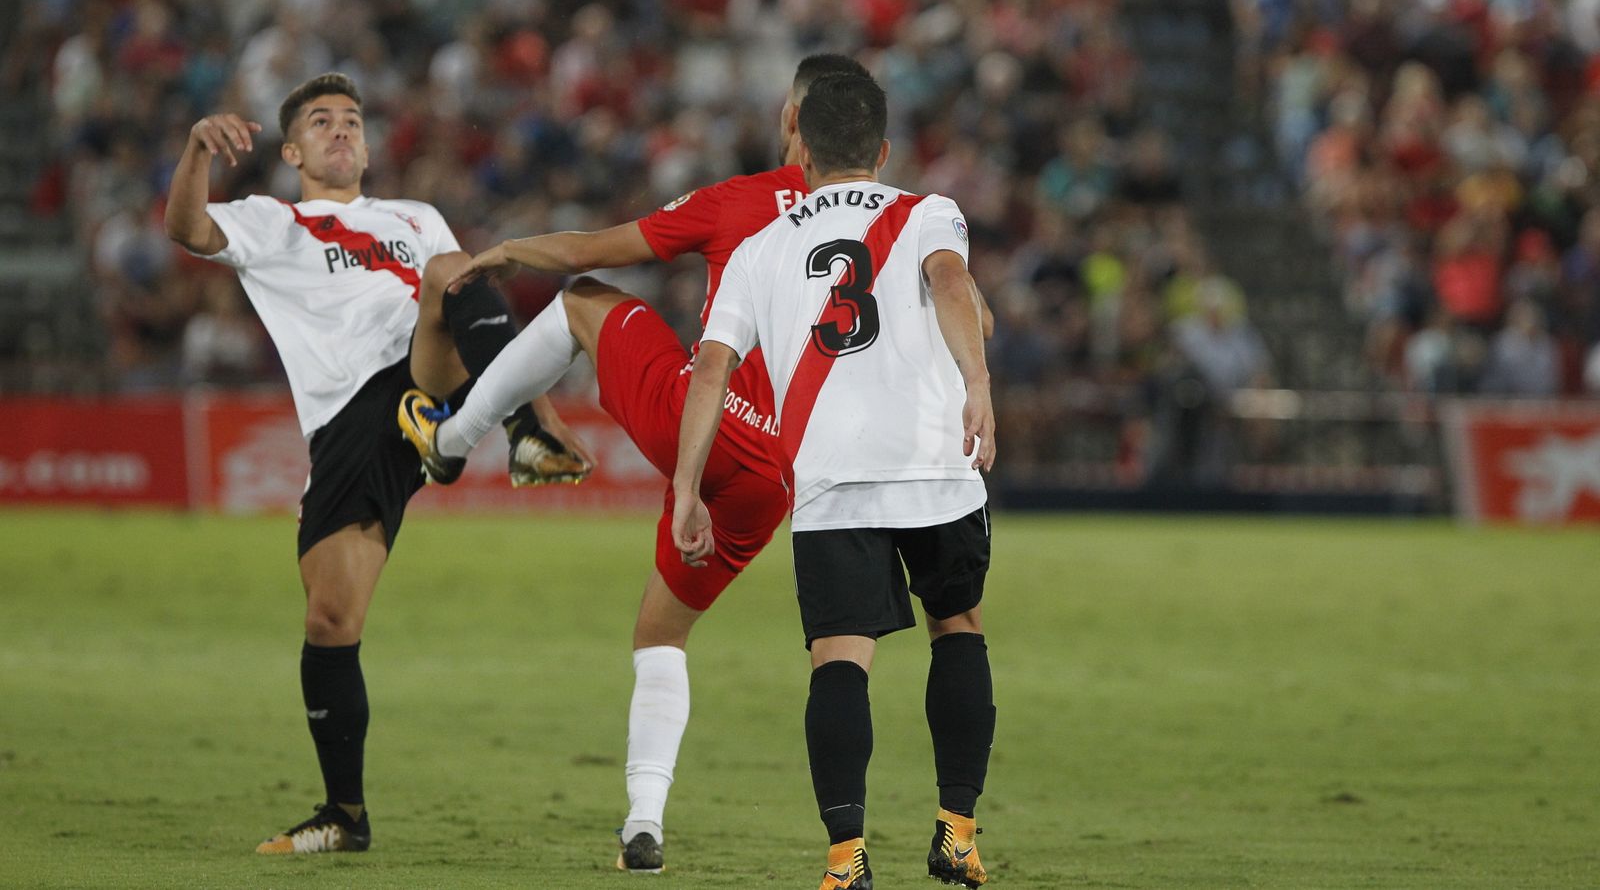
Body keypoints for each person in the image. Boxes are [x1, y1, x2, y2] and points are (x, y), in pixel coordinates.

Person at [396, 54, 884, 873]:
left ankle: (452, 441)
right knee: (665, 631)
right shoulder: (898, 223)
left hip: (701, 419)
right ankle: (641, 826)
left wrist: (515, 248)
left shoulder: (746, 199)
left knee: (584, 297)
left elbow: (600, 245)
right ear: (878, 145)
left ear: (794, 124)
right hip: (783, 474)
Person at [162, 72, 589, 855]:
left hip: (422, 367)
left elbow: (466, 307)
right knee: (330, 620)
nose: (341, 130)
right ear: (291, 149)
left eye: (353, 119)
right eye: (321, 121)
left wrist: (542, 411)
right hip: (349, 418)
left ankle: (506, 427)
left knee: (453, 270)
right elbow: (188, 229)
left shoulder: (414, 217)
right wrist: (196, 149)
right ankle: (345, 813)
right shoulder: (273, 221)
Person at [669, 72, 997, 890]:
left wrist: (683, 487)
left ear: (801, 150)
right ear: (884, 151)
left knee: (839, 661)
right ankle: (956, 833)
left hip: (831, 479)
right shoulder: (925, 211)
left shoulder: (758, 249)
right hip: (933, 466)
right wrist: (980, 382)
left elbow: (711, 367)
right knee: (956, 625)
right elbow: (954, 288)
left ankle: (846, 860)